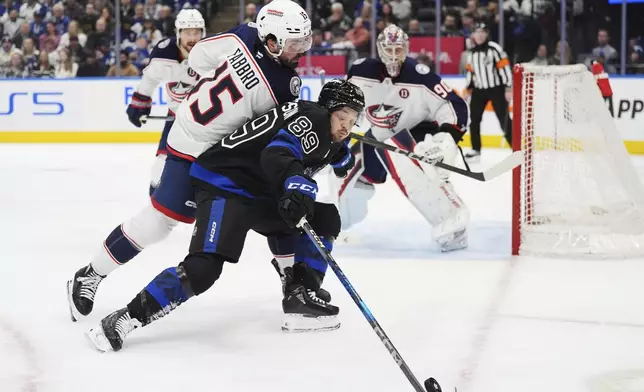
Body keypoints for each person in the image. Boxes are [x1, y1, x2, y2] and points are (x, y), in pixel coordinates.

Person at [67, 0, 314, 322]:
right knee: (159, 222)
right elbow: (269, 132)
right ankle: (90, 274)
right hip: (197, 149)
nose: (302, 51)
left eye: (304, 41)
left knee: (276, 209)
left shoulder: (244, 34)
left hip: (206, 142)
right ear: (271, 41)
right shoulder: (282, 85)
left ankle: (292, 286)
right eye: (295, 43)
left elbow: (198, 57)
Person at [86, 79, 365, 351]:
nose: (346, 126)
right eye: (342, 116)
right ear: (327, 109)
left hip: (257, 191)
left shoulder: (319, 123)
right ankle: (125, 318)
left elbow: (321, 152)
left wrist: (338, 154)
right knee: (203, 268)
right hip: (227, 184)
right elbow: (277, 152)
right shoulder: (315, 119)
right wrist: (296, 181)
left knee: (323, 216)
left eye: (352, 121)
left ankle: (300, 297)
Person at [336, 25, 471, 252]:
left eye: (399, 49)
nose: (394, 55)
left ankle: (452, 223)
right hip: (376, 138)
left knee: (407, 162)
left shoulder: (420, 75)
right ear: (379, 50)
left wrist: (447, 137)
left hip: (414, 134)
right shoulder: (360, 72)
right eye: (389, 49)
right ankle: (334, 221)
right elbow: (343, 100)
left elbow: (454, 104)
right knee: (346, 168)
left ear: (406, 49)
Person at [125, 9, 205, 195]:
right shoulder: (164, 53)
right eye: (187, 32)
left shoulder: (215, 54)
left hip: (208, 123)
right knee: (159, 171)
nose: (192, 37)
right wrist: (140, 104)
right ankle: (156, 212)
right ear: (178, 33)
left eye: (196, 32)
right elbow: (149, 79)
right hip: (176, 119)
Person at [463, 22, 512, 162]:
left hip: (496, 89)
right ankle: (476, 149)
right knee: (474, 120)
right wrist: (468, 88)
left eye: (482, 32)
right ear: (473, 35)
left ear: (486, 34)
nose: (479, 35)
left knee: (504, 120)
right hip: (479, 90)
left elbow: (505, 68)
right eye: (476, 32)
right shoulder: (471, 52)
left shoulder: (494, 49)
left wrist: (508, 88)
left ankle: (516, 148)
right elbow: (470, 72)